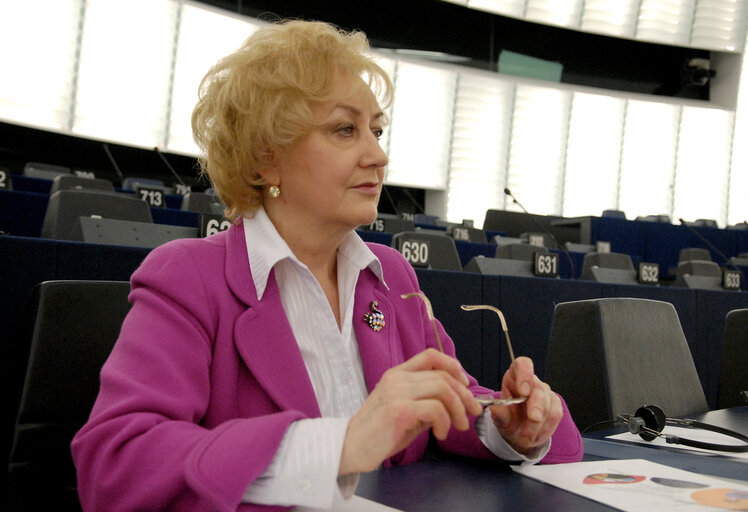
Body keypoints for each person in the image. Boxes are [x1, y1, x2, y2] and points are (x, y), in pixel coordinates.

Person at [72, 19, 582, 512]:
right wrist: (338, 444)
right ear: (265, 159)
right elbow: (118, 464)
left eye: (376, 131)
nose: (378, 156)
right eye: (345, 130)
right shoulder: (187, 277)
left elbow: (450, 401)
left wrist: (508, 426)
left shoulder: (390, 274)